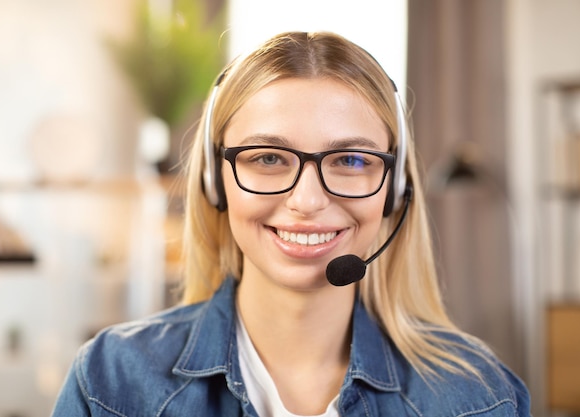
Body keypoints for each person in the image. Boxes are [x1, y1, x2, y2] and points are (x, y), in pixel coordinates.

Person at [51, 31, 531, 416]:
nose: (306, 200)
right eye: (267, 157)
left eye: (350, 159)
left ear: (395, 190)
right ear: (214, 182)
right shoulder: (111, 384)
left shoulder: (477, 397)